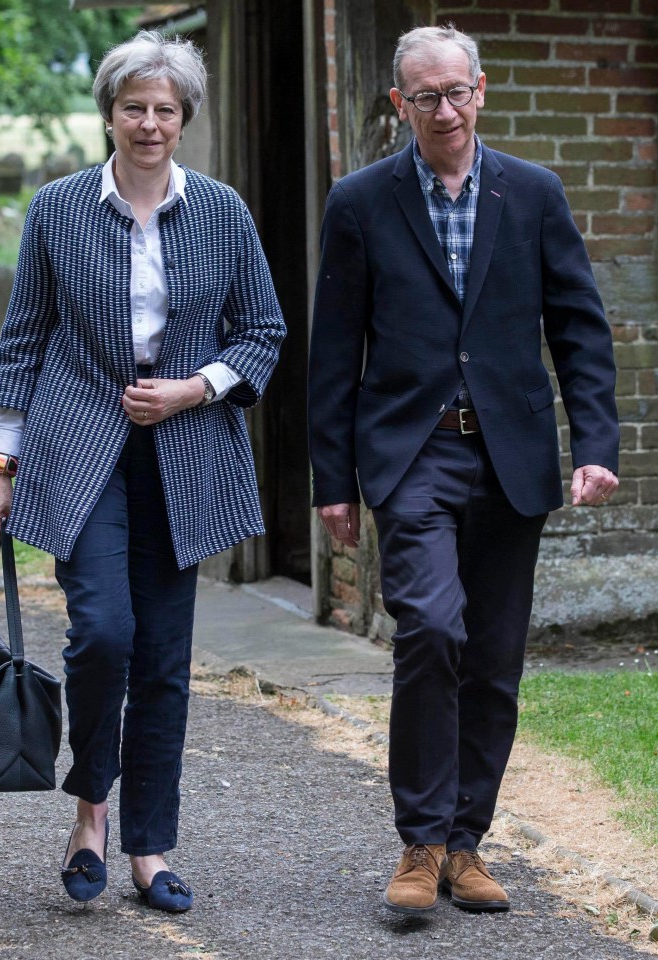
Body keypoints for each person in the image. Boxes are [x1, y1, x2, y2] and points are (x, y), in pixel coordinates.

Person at [307, 24, 618, 916]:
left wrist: (594, 444)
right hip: (412, 454)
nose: (444, 111)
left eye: (457, 93)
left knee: (492, 659)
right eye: (425, 97)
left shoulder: (534, 193)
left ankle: (466, 844)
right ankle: (419, 842)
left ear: (480, 90)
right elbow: (335, 353)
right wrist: (334, 480)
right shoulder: (360, 201)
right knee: (431, 630)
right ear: (399, 104)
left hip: (510, 458)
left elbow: (579, 329)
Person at [0, 30, 285, 911]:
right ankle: (89, 815)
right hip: (80, 452)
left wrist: (194, 388)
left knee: (162, 659)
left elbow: (260, 332)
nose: (148, 123)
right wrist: (1, 464)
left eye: (164, 110)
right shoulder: (59, 208)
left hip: (184, 458)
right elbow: (23, 340)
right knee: (105, 634)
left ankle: (149, 849)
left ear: (183, 119)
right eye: (132, 108)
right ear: (108, 113)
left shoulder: (223, 211)